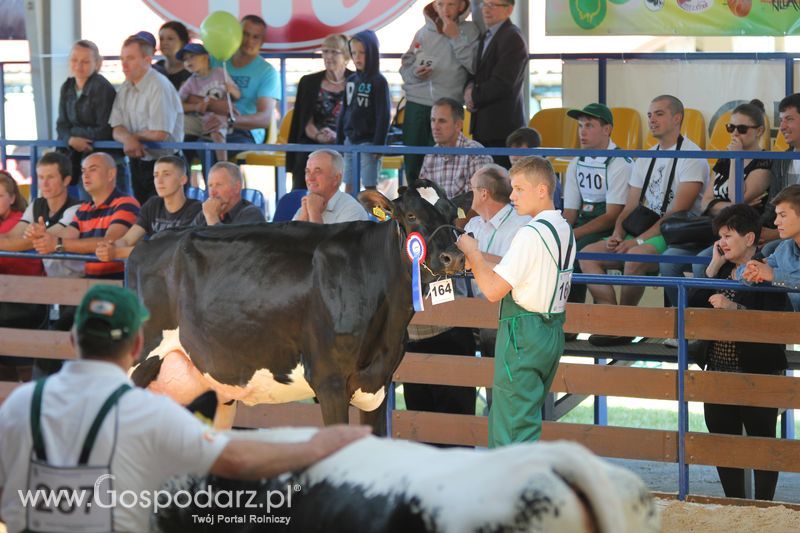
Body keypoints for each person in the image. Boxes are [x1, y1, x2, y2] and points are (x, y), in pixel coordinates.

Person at [0, 284, 370, 533]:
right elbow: (238, 460)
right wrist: (320, 446)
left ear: (72, 339)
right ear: (136, 346)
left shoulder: (19, 405)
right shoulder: (147, 413)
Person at [456, 156, 576, 447]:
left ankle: (511, 489)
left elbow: (493, 290)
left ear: (542, 190)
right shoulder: (563, 228)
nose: (512, 196)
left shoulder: (530, 234)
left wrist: (473, 253)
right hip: (550, 329)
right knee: (525, 419)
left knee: (510, 429)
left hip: (522, 332)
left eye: (519, 189)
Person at [579, 95, 709, 346]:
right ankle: (615, 320)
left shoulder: (693, 155)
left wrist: (636, 240)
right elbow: (630, 205)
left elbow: (678, 212)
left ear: (677, 118)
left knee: (634, 258)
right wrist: (618, 232)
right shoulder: (645, 155)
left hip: (673, 231)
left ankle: (627, 326)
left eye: (659, 114)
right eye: (649, 115)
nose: (651, 119)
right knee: (587, 255)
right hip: (642, 229)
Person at [691, 204, 788, 500]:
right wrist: (711, 268)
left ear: (749, 239)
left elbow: (774, 322)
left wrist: (734, 308)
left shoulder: (767, 272)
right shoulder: (721, 273)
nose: (721, 242)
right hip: (718, 372)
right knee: (723, 442)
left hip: (758, 373)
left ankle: (763, 507)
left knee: (762, 443)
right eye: (719, 236)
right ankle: (734, 502)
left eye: (728, 235)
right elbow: (692, 306)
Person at [660, 100, 773, 304]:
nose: (734, 134)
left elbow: (736, 198)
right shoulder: (723, 160)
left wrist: (735, 158)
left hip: (736, 236)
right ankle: (681, 319)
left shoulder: (763, 163)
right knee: (668, 261)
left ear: (759, 131)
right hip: (710, 229)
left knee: (702, 263)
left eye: (742, 129)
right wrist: (725, 206)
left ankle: (706, 319)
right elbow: (706, 202)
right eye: (731, 127)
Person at [400, 0, 480, 183]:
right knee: (413, 165)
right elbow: (405, 70)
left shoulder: (470, 31)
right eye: (440, 4)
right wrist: (416, 73)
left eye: (451, 4)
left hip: (449, 105)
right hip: (416, 104)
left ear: (461, 6)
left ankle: (442, 210)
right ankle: (414, 209)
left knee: (444, 167)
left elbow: (475, 66)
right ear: (434, 6)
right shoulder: (422, 32)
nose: (445, 9)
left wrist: (455, 37)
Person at [27, 152, 140, 281]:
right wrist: (43, 237)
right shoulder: (84, 208)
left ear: (111, 174)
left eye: (93, 170)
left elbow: (109, 242)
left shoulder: (126, 203)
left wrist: (57, 244)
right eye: (83, 171)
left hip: (119, 286)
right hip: (91, 284)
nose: (85, 175)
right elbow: (66, 235)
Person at [562, 104, 633, 306]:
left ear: (607, 129)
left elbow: (613, 216)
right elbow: (570, 211)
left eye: (589, 126)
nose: (582, 131)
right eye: (580, 126)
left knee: (577, 251)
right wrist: (562, 233)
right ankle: (568, 315)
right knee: (556, 250)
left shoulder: (620, 163)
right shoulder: (576, 162)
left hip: (613, 227)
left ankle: (602, 313)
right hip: (585, 224)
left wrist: (573, 235)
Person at [463, 163, 530, 370]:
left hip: (507, 312)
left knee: (491, 334)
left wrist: (474, 256)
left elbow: (516, 268)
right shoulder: (473, 224)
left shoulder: (523, 224)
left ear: (484, 194)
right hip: (473, 309)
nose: (468, 193)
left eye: (471, 188)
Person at [110, 31, 183, 204]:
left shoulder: (159, 85)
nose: (124, 65)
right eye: (122, 59)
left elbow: (160, 133)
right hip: (139, 161)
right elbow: (116, 128)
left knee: (165, 223)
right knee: (143, 219)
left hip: (167, 163)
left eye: (130, 58)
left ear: (148, 60)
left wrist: (133, 138)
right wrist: (128, 138)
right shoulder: (125, 87)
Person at [96, 156, 201, 261]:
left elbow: (170, 250)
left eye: (166, 174)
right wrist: (110, 247)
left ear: (183, 180)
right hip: (153, 272)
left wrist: (118, 252)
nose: (159, 181)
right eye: (156, 175)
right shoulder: (153, 204)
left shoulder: (195, 209)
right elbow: (127, 240)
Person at [464, 0, 527, 168]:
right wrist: (469, 87)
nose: (486, 9)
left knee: (502, 186)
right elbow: (478, 73)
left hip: (502, 128)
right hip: (485, 126)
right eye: (485, 4)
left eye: (493, 5)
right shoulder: (488, 35)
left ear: (509, 9)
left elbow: (503, 82)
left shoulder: (513, 37)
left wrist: (473, 97)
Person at [0, 152, 81, 279]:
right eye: (41, 177)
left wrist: (30, 238)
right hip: (48, 280)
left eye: (50, 177)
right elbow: (11, 235)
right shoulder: (36, 204)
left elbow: (33, 243)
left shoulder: (76, 209)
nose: (44, 183)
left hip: (78, 280)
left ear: (66, 180)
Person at [287, 34, 353, 190]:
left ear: (345, 55)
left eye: (334, 52)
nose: (328, 57)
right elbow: (304, 122)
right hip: (314, 138)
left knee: (351, 157)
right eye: (325, 52)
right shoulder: (308, 82)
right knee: (305, 157)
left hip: (346, 139)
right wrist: (318, 136)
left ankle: (350, 206)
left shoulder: (356, 81)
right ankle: (302, 204)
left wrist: (338, 136)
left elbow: (359, 121)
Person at [56, 39, 117, 196]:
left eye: (85, 61)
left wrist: (74, 134)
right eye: (74, 60)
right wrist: (71, 140)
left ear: (97, 63)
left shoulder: (102, 88)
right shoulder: (67, 86)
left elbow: (105, 129)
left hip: (100, 158)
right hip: (73, 157)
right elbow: (61, 125)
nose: (78, 66)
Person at [206, 15, 280, 146]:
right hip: (208, 124)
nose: (249, 41)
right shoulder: (216, 59)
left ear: (262, 41)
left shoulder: (267, 72)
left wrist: (229, 121)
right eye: (245, 34)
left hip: (245, 132)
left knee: (210, 148)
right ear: (236, 34)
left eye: (255, 37)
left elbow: (264, 119)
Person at [0, 171, 45, 382]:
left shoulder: (20, 222)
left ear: (12, 197)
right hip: (6, 300)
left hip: (25, 301)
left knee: (25, 365)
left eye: (0, 196)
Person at [337, 30, 390, 190]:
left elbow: (383, 115)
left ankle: (372, 216)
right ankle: (349, 216)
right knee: (349, 183)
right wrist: (340, 139)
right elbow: (344, 111)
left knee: (369, 186)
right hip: (349, 140)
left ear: (372, 53)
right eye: (353, 53)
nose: (357, 57)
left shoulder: (379, 81)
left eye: (362, 53)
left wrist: (378, 144)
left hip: (369, 141)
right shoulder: (351, 80)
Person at [177, 43, 241, 162]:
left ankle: (223, 164)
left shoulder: (219, 73)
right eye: (185, 59)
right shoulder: (190, 83)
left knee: (216, 132)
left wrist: (231, 89)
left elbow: (237, 95)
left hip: (221, 118)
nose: (188, 61)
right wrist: (195, 107)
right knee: (177, 124)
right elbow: (177, 104)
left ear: (205, 57)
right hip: (201, 121)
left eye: (192, 57)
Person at [418, 97, 493, 198]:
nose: (435, 127)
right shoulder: (430, 155)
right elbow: (423, 198)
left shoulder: (476, 154)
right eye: (433, 120)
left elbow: (479, 202)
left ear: (458, 125)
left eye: (442, 121)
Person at [741, 184, 800, 312]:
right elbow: (757, 268)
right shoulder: (786, 247)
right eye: (777, 215)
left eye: (783, 215)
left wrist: (773, 275)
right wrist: (750, 271)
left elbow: (771, 273)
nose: (776, 222)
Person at [294, 149, 369, 223]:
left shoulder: (353, 210)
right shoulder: (307, 205)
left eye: (317, 171)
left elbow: (318, 236)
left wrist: (314, 212)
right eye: (308, 171)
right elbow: (290, 235)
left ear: (336, 179)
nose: (310, 178)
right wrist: (303, 216)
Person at [506, 127, 563, 210]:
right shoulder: (509, 177)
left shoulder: (546, 179)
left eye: (521, 153)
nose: (514, 157)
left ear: (536, 154)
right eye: (511, 152)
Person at [193, 161, 265, 226]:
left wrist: (212, 218)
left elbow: (231, 240)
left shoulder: (252, 214)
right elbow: (185, 238)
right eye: (210, 186)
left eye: (219, 185)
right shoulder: (205, 214)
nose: (212, 192)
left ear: (236, 187)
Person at [153, 20, 191, 91]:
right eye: (161, 39)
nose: (164, 43)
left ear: (183, 42)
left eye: (170, 39)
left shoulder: (191, 71)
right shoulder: (156, 68)